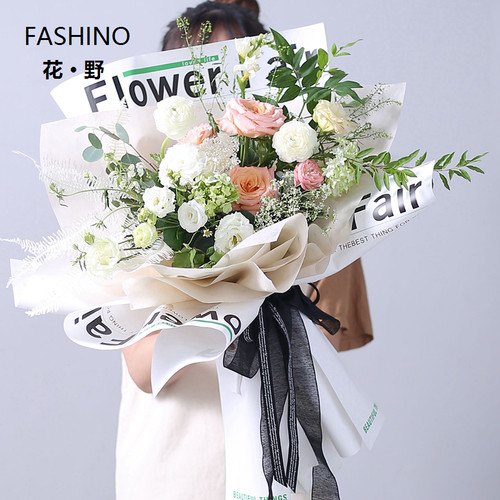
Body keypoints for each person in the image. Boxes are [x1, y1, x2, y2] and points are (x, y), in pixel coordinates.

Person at [116, 1, 373, 498]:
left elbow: (334, 335)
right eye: (199, 67)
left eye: (235, 63)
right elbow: (144, 369)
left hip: (278, 455)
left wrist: (293, 241)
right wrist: (224, 278)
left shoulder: (297, 199)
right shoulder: (144, 205)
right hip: (177, 466)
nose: (218, 85)